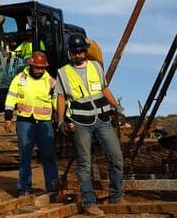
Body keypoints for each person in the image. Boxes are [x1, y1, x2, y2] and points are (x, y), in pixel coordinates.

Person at [56, 33, 123, 217]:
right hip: (80, 122)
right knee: (84, 164)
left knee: (116, 158)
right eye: (74, 52)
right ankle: (89, 202)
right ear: (70, 53)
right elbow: (61, 97)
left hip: (102, 119)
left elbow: (104, 88)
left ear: (85, 52)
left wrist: (117, 106)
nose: (77, 55)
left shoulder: (95, 66)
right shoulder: (63, 72)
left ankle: (116, 195)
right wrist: (61, 119)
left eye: (80, 52)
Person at [4, 51, 59, 197]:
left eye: (42, 68)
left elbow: (56, 101)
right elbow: (11, 99)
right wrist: (8, 118)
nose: (40, 70)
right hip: (24, 121)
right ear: (31, 65)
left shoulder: (51, 81)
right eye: (37, 68)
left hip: (44, 122)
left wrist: (62, 117)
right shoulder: (19, 78)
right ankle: (24, 188)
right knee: (25, 155)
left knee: (48, 155)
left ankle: (53, 187)